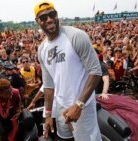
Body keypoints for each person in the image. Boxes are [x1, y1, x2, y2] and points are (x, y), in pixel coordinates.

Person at [34, 1, 102, 141]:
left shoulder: (76, 36)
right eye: (44, 17)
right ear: (37, 21)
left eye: (52, 14)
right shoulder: (42, 49)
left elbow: (95, 71)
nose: (50, 19)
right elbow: (48, 85)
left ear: (57, 15)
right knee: (65, 138)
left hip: (83, 106)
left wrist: (79, 105)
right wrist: (47, 115)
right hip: (60, 106)